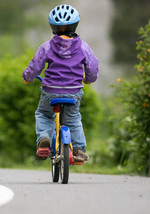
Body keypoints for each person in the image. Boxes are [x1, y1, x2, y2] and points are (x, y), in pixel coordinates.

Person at [22, 4, 99, 162]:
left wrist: (27, 77)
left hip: (51, 90)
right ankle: (78, 150)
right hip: (73, 92)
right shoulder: (83, 47)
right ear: (74, 25)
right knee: (73, 119)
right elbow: (93, 67)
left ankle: (44, 140)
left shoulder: (47, 47)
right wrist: (89, 79)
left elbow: (35, 66)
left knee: (43, 114)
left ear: (53, 27)